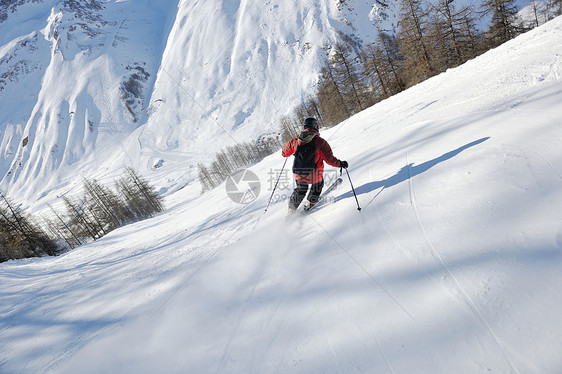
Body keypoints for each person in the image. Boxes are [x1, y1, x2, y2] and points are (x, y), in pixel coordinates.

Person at [281, 117, 348, 214]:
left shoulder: (296, 140)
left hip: (299, 174)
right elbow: (330, 160)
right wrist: (341, 164)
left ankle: (291, 210)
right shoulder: (320, 142)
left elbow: (284, 153)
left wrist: (294, 145)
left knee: (301, 189)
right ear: (316, 127)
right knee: (318, 184)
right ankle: (311, 202)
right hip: (314, 175)